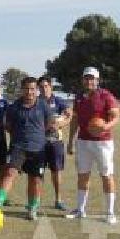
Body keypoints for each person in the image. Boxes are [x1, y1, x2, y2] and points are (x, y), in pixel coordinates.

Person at [0, 77, 57, 220]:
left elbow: (49, 123)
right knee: (10, 172)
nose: (29, 92)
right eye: (26, 88)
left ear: (36, 90)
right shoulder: (13, 107)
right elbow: (8, 126)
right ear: (22, 89)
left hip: (38, 149)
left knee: (35, 180)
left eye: (32, 89)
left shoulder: (43, 105)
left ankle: (32, 208)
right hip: (18, 147)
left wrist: (38, 135)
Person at [66, 67, 120, 224]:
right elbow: (75, 120)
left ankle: (110, 212)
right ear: (82, 80)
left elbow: (116, 116)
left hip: (103, 142)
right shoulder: (78, 97)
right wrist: (71, 140)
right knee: (83, 175)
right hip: (83, 142)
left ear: (97, 80)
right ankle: (80, 210)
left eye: (92, 78)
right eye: (86, 78)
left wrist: (106, 126)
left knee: (106, 175)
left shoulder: (105, 95)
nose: (89, 81)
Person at [38, 76, 72, 210]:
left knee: (56, 171)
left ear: (51, 87)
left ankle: (58, 200)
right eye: (41, 87)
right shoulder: (35, 102)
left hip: (55, 142)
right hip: (39, 143)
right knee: (38, 172)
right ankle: (37, 200)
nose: (43, 89)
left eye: (46, 86)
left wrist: (60, 123)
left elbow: (69, 114)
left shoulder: (58, 101)